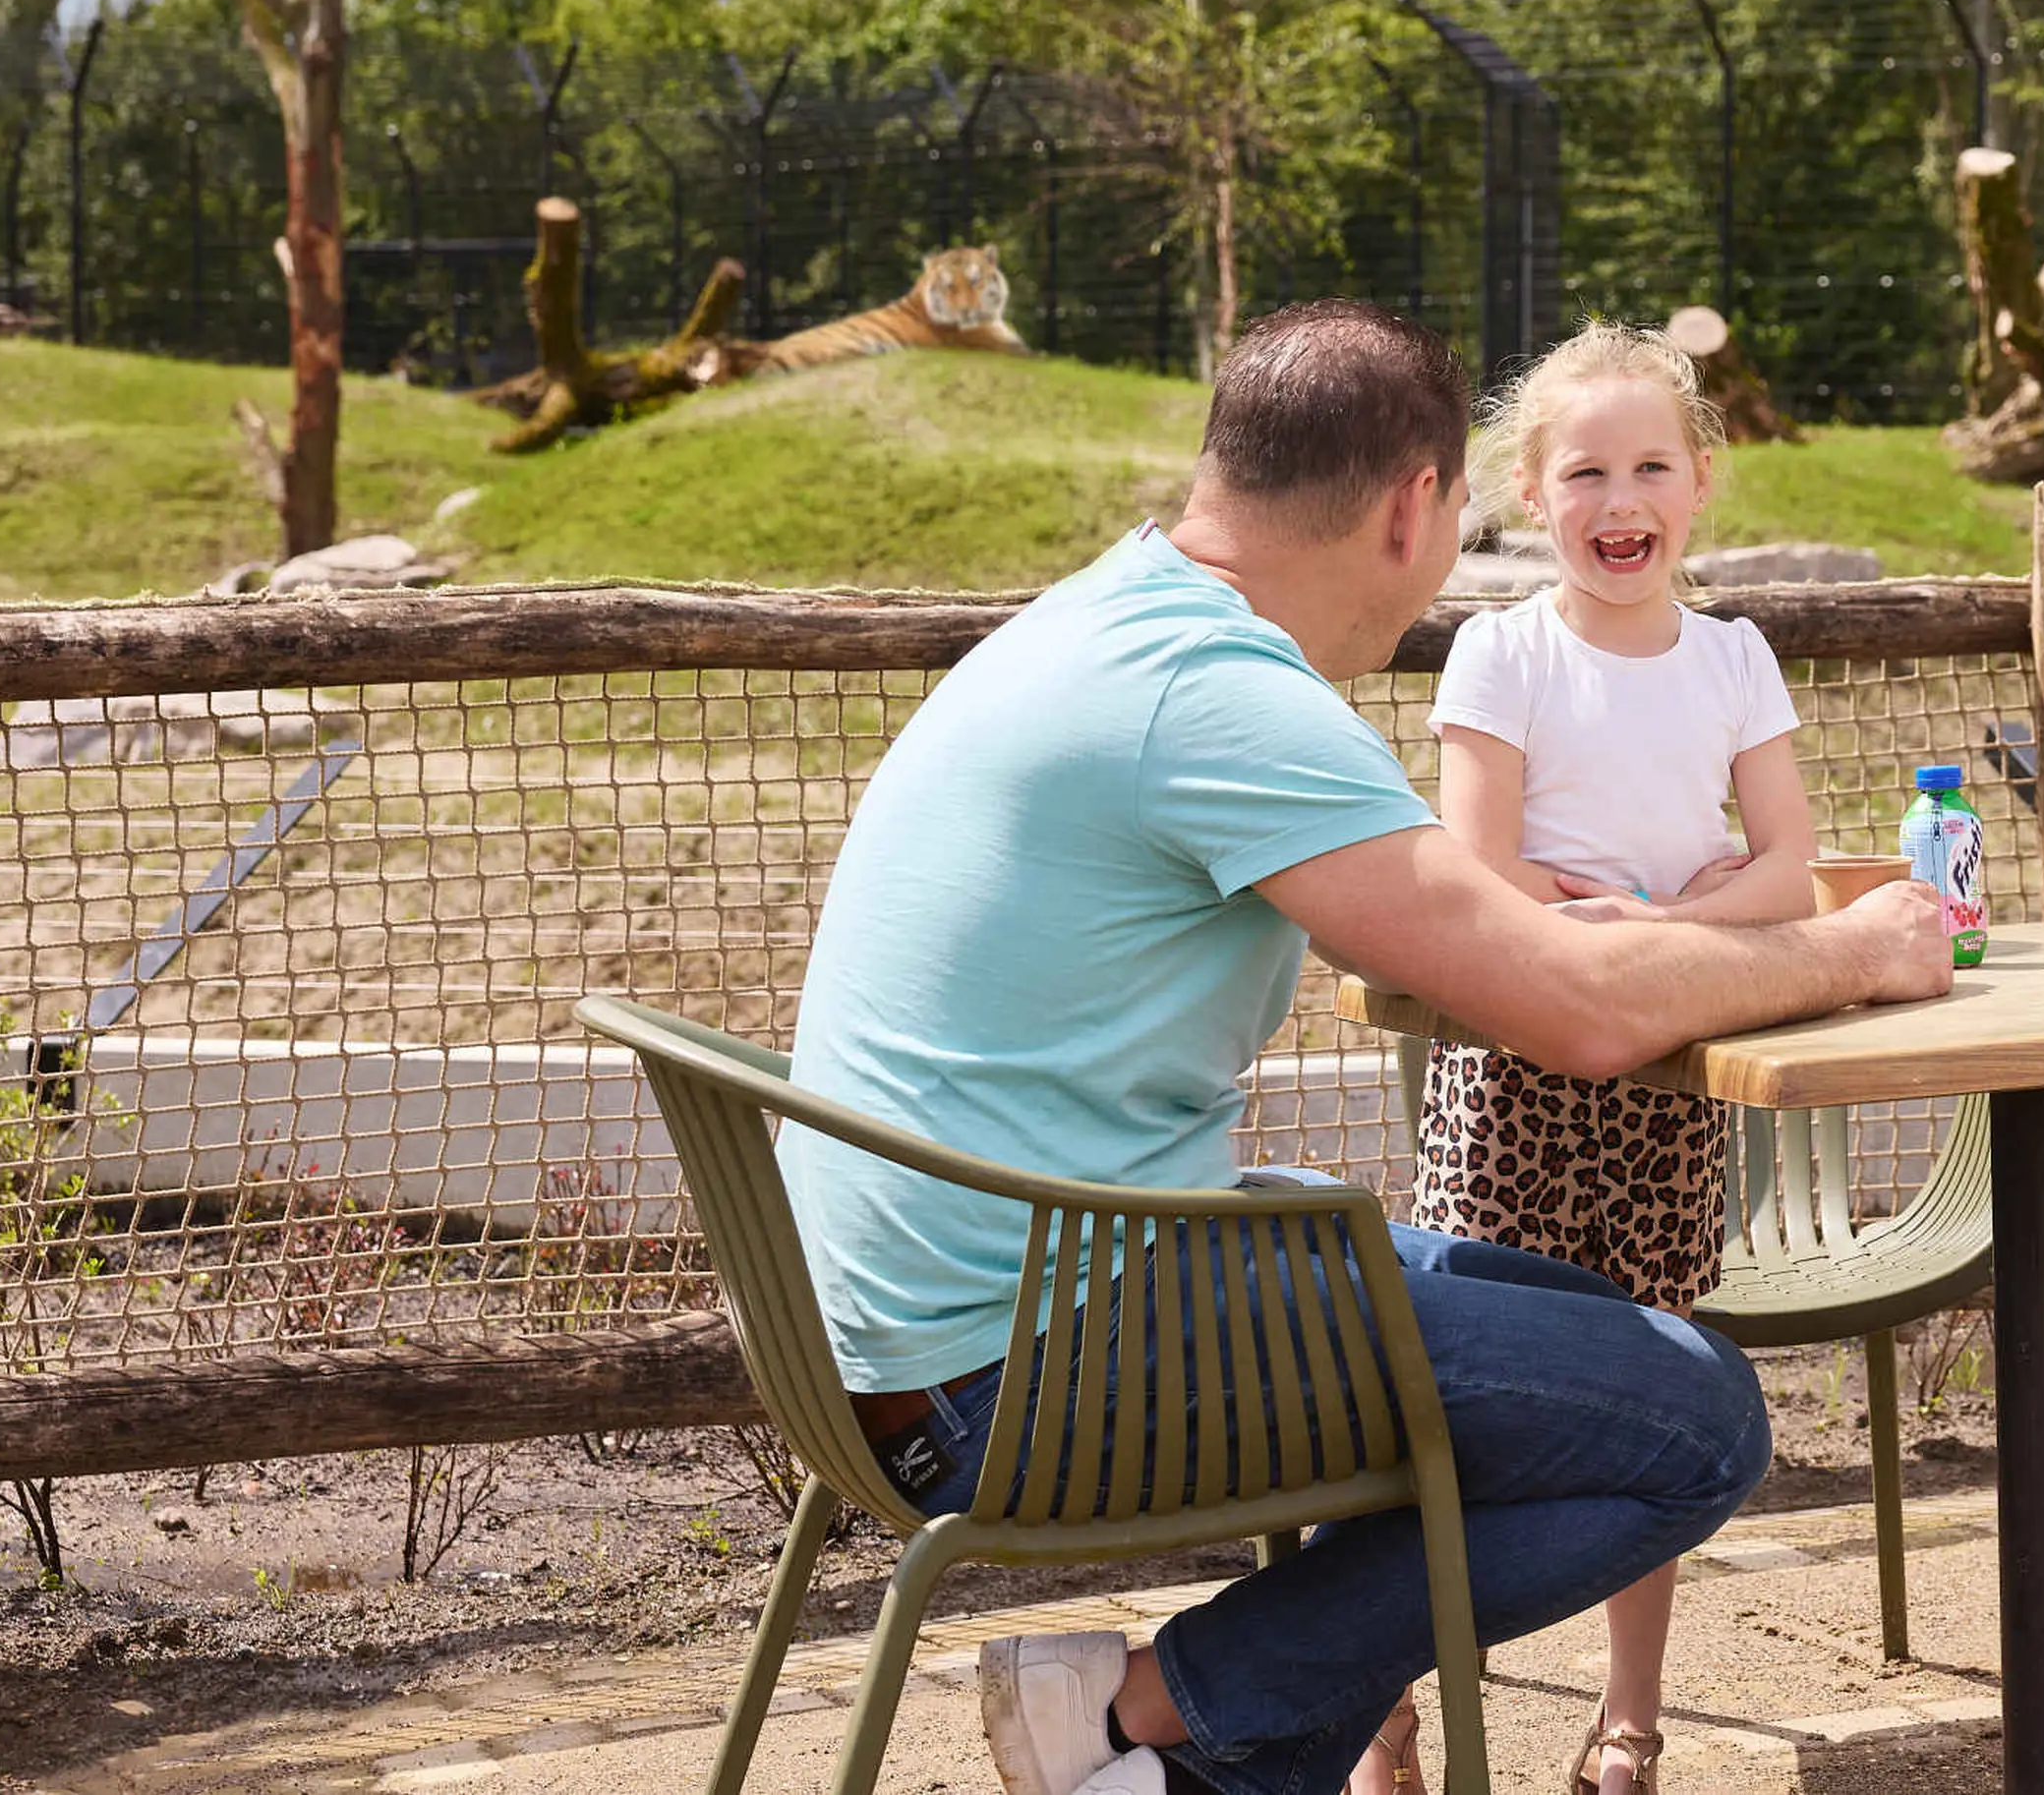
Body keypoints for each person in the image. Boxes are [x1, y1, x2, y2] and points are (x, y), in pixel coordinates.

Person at [772, 301, 1952, 1795]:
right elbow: (1572, 1009)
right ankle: (1150, 1712)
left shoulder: (1103, 618)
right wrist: (1854, 945)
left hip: (919, 1331)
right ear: (1416, 505)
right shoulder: (1226, 702)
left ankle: (1173, 1749)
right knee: (1697, 1416)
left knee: (1570, 1315)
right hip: (1015, 1371)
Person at [1410, 320, 1820, 1795]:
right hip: (1513, 1071)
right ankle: (1389, 1690)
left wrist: (1693, 918)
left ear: (1700, 483)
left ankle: (1629, 1713)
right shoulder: (1499, 647)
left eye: (1650, 464)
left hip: (1668, 1088)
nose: (1619, 496)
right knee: (1450, 1405)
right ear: (1530, 491)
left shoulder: (1734, 652)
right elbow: (1472, 862)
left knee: (1660, 1384)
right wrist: (1610, 917)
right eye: (1586, 469)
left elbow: (1789, 863)